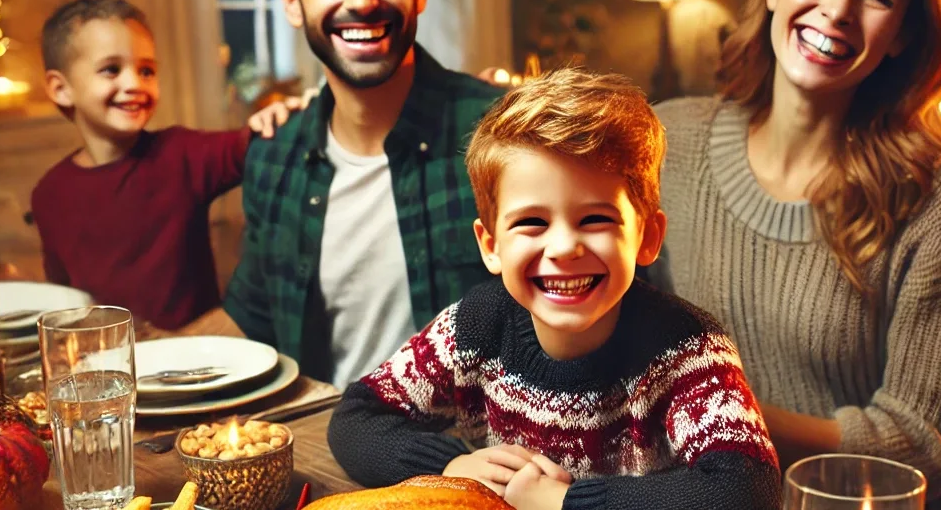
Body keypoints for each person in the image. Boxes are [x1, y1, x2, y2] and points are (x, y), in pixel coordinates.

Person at [653, 0, 941, 507]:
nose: (837, 11)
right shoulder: (670, 139)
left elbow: (925, 442)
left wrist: (723, 419)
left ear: (900, 35)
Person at [329, 69, 781, 510]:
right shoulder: (472, 329)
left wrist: (566, 501)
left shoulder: (688, 351)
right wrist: (453, 466)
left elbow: (747, 489)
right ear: (491, 246)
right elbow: (354, 419)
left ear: (646, 237)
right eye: (532, 222)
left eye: (596, 220)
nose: (564, 247)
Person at [184, 0, 501, 386]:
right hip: (319, 450)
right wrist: (130, 366)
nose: (360, 0)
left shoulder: (501, 135)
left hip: (476, 458)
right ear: (293, 1)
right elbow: (250, 321)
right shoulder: (274, 154)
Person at [31, 0, 303, 329]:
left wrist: (277, 119)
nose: (134, 84)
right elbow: (65, 304)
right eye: (111, 70)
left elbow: (249, 145)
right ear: (61, 89)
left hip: (197, 357)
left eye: (146, 70)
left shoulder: (180, 153)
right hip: (110, 364)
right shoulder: (49, 194)